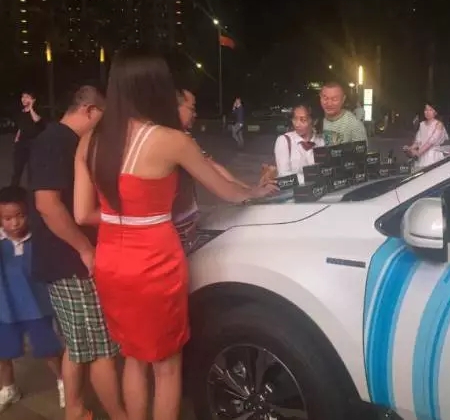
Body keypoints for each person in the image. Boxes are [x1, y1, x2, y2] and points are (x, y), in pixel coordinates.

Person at [73, 50, 277, 420]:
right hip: (154, 264)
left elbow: (80, 213)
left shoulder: (91, 139)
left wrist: (124, 220)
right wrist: (256, 191)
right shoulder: (171, 140)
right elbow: (226, 190)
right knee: (166, 367)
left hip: (110, 262)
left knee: (133, 358)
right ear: (156, 86)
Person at [28, 85, 126, 420]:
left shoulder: (62, 140)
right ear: (89, 110)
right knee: (102, 349)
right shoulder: (56, 141)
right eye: (103, 118)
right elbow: (47, 204)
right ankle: (119, 415)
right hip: (69, 261)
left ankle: (75, 409)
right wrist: (85, 249)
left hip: (63, 259)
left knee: (78, 344)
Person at [0, 186, 64, 413]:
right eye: (7, 218)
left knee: (49, 350)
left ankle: (63, 383)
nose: (14, 223)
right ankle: (8, 388)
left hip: (38, 308)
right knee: (3, 353)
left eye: (20, 216)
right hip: (5, 309)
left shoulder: (39, 240)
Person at [175, 89, 261, 251]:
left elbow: (213, 166)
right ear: (175, 107)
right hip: (173, 230)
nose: (195, 114)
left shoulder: (185, 137)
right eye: (192, 108)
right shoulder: (172, 140)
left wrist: (248, 189)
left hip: (186, 224)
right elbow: (218, 182)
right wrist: (251, 193)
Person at [274, 104, 325, 183]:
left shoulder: (321, 142)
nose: (297, 124)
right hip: (291, 189)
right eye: (295, 119)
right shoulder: (284, 141)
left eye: (303, 120)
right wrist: (310, 178)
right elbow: (283, 174)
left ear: (314, 121)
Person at [12, 92, 44, 186]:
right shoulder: (20, 113)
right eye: (23, 97)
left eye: (27, 97)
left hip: (34, 144)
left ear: (33, 100)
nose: (24, 99)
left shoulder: (37, 111)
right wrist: (17, 138)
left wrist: (31, 108)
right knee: (17, 169)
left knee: (32, 170)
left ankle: (32, 191)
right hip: (21, 143)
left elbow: (37, 121)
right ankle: (13, 190)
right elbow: (21, 126)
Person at [403, 103, 449, 168]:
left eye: (430, 110)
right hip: (421, 156)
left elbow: (431, 142)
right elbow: (418, 141)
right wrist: (410, 148)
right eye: (426, 110)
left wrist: (418, 153)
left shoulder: (438, 124)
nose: (427, 112)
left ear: (435, 112)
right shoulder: (422, 124)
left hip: (433, 156)